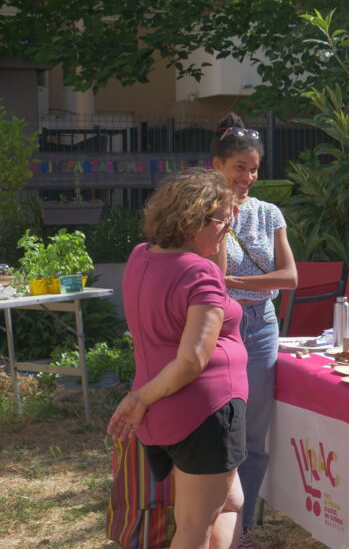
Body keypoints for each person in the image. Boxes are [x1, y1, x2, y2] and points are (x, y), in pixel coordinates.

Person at [107, 168, 248, 549]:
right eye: (222, 222)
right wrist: (139, 399)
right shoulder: (199, 273)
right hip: (203, 413)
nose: (227, 230)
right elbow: (192, 360)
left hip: (168, 410)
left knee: (229, 503)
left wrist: (143, 397)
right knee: (193, 527)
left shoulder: (142, 256)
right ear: (193, 220)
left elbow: (204, 277)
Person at [211, 113, 298, 548]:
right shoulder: (204, 213)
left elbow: (290, 277)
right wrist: (220, 220)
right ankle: (206, 518)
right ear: (217, 166)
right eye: (239, 167)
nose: (248, 177)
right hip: (219, 325)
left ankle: (241, 528)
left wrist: (237, 282)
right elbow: (209, 277)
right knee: (215, 427)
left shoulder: (269, 213)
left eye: (254, 168)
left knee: (254, 433)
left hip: (262, 325)